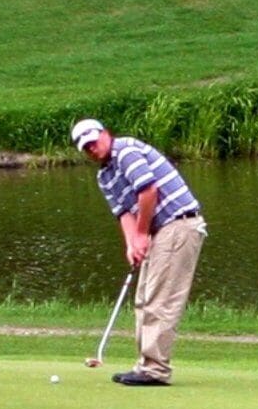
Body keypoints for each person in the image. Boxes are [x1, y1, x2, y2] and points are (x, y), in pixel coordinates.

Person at [72, 118, 205, 385]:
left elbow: (148, 191)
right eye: (86, 148)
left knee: (159, 300)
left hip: (179, 224)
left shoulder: (126, 150)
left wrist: (142, 233)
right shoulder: (104, 176)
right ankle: (146, 365)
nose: (92, 149)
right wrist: (132, 243)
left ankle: (155, 370)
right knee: (144, 299)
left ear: (106, 134)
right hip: (158, 231)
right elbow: (123, 212)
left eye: (94, 142)